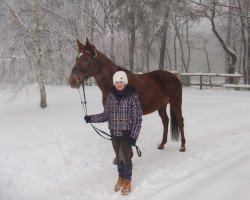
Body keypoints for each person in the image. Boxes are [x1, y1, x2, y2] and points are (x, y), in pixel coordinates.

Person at [84, 71, 142, 195]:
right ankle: (120, 177)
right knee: (119, 158)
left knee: (126, 158)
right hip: (114, 133)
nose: (119, 84)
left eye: (121, 81)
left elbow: (137, 118)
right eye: (116, 82)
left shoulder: (132, 96)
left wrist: (134, 136)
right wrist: (91, 118)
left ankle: (127, 180)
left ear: (125, 82)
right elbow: (106, 115)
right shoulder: (110, 96)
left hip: (127, 134)